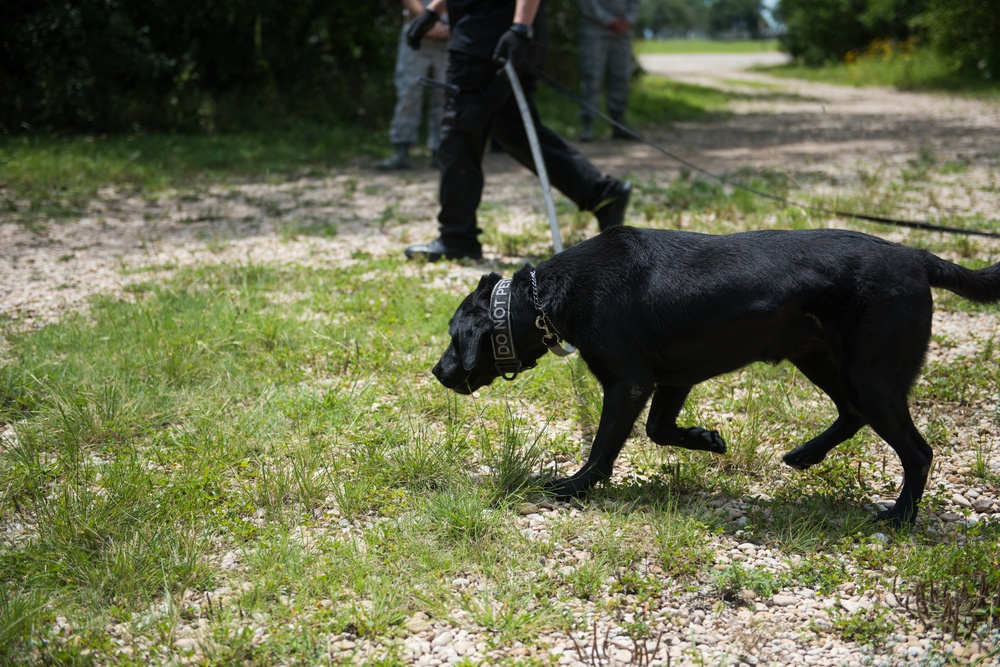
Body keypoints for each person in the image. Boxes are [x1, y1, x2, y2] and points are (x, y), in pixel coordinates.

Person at [404, 0, 631, 261]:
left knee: (458, 131)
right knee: (514, 130)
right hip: (501, 35)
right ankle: (601, 194)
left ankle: (457, 237)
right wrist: (434, 11)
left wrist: (520, 28)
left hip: (490, 38)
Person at [377, 0, 451, 171]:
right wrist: (426, 20)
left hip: (449, 34)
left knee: (445, 94)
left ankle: (440, 151)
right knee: (409, 91)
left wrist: (447, 27)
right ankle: (401, 149)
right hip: (416, 28)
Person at [577, 0, 639, 142]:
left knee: (621, 76)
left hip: (622, 34)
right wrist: (609, 20)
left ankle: (619, 124)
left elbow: (635, 3)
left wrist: (629, 20)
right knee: (592, 77)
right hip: (594, 32)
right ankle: (588, 125)